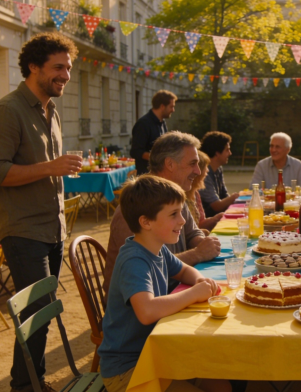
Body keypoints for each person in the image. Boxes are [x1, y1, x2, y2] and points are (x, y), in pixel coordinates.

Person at [0, 32, 81, 392]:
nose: (65, 75)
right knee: (36, 316)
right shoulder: (8, 111)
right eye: (58, 67)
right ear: (33, 66)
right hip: (23, 232)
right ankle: (27, 387)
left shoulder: (50, 110)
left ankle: (28, 383)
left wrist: (52, 169)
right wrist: (49, 167)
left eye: (68, 68)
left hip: (51, 230)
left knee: (38, 317)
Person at [98, 175, 229, 392]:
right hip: (128, 370)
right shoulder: (134, 260)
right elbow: (147, 311)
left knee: (221, 385)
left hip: (157, 353)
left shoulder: (157, 248)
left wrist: (200, 280)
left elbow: (184, 270)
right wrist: (195, 293)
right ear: (146, 222)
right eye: (174, 214)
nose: (183, 220)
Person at [103, 132, 222, 293]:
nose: (198, 171)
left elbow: (192, 234)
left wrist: (203, 243)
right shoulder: (136, 206)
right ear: (170, 164)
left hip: (170, 289)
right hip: (138, 306)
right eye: (193, 163)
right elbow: (146, 268)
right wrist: (197, 254)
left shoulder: (173, 196)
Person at [130, 90, 177, 174]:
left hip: (159, 173)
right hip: (146, 175)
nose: (173, 110)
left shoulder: (162, 122)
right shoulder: (143, 123)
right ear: (162, 106)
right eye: (171, 106)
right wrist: (158, 158)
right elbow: (135, 151)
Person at [199, 131, 239, 217]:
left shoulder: (218, 169)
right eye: (227, 150)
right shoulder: (204, 172)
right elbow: (216, 206)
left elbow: (224, 195)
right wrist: (235, 197)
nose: (230, 153)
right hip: (208, 221)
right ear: (217, 153)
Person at [187, 151, 224, 233]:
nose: (207, 171)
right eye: (206, 167)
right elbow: (188, 232)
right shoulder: (182, 196)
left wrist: (215, 219)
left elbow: (200, 223)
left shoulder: (195, 194)